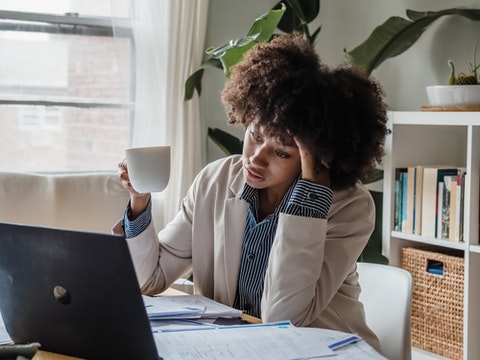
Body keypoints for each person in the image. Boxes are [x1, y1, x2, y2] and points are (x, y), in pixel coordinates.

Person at [114, 33, 388, 353]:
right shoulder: (214, 181)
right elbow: (149, 280)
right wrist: (139, 201)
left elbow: (285, 318)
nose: (256, 157)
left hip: (319, 352)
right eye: (255, 135)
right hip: (233, 349)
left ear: (318, 158)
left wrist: (309, 199)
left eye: (282, 153)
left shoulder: (350, 207)